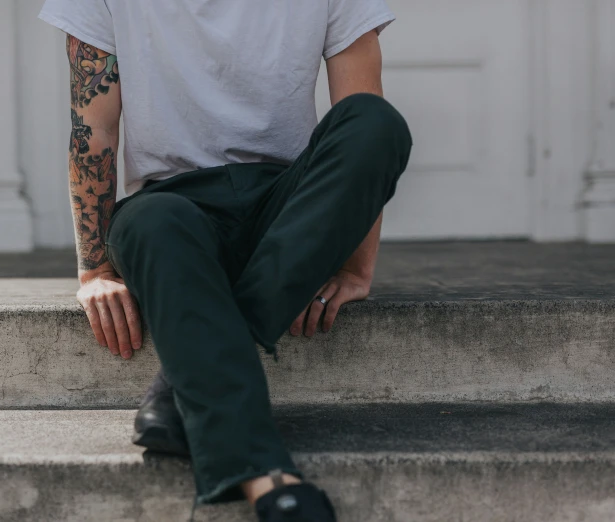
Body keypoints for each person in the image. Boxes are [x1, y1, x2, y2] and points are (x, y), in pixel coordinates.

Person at [40, 1, 411, 520]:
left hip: (285, 209)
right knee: (153, 222)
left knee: (376, 122)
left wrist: (353, 264)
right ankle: (268, 480)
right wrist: (96, 269)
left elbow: (362, 116)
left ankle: (180, 387)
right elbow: (93, 131)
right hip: (170, 212)